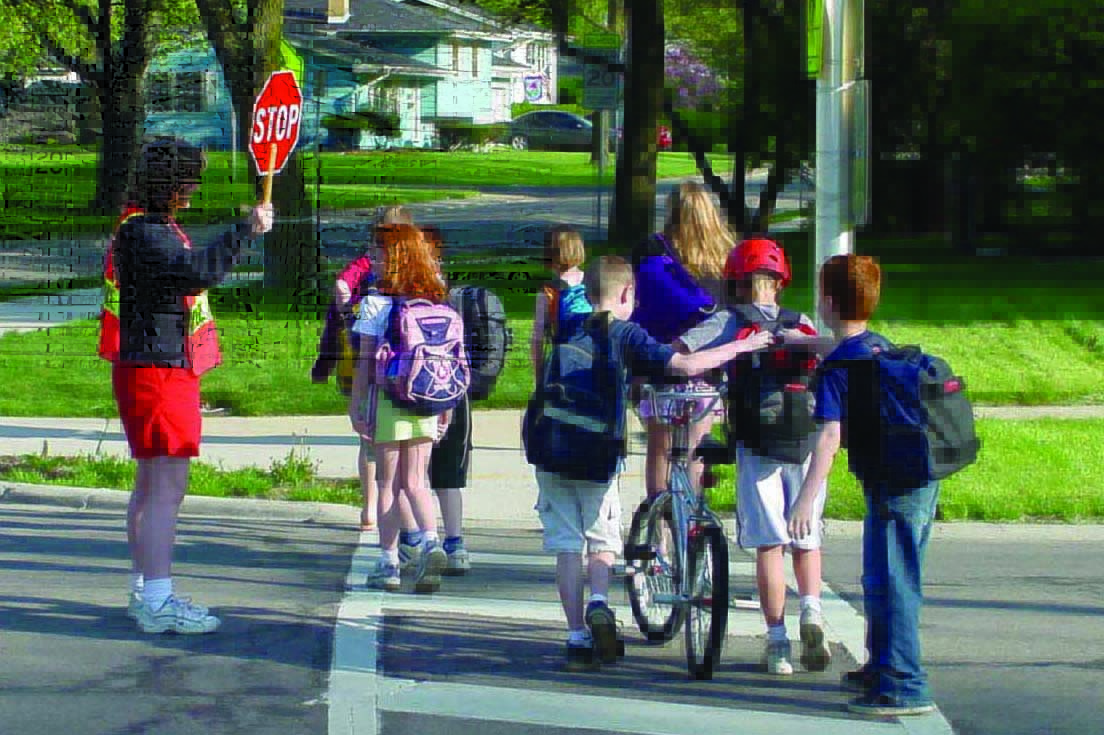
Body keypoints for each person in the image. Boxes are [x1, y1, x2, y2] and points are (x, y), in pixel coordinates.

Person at [529, 255, 773, 670]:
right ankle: (601, 603)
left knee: (567, 546)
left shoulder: (570, 326)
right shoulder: (626, 334)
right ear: (626, 294)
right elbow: (686, 365)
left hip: (551, 449)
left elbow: (555, 325)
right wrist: (742, 345)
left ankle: (575, 637)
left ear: (589, 296)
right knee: (602, 539)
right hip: (596, 455)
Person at [104, 138, 273, 634]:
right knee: (166, 490)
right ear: (170, 185)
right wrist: (245, 228)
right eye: (188, 180)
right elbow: (197, 272)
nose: (193, 189)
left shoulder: (142, 227)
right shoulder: (144, 233)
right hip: (158, 371)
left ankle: (145, 589)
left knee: (149, 486)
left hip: (147, 366)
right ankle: (157, 598)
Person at [788, 254, 939, 717]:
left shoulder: (838, 372)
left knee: (894, 584)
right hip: (914, 478)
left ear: (829, 303)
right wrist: (804, 344)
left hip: (893, 485)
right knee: (880, 579)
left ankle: (906, 685)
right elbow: (842, 349)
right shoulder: (876, 346)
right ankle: (881, 665)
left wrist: (805, 500)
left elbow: (829, 437)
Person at [675, 238, 829, 676]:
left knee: (769, 543)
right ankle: (812, 613)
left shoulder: (728, 320)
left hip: (756, 443)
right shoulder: (799, 323)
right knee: (806, 536)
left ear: (736, 281)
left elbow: (684, 351)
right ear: (780, 282)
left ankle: (778, 642)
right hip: (804, 438)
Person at [349, 223, 454, 594]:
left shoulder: (377, 303)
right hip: (428, 400)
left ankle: (389, 561)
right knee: (416, 480)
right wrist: (447, 409)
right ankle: (430, 540)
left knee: (387, 483)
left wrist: (357, 405)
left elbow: (364, 361)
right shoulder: (435, 301)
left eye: (377, 254)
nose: (372, 261)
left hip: (390, 401)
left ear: (392, 259)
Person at [313, 206, 416, 532]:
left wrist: (324, 361)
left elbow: (338, 304)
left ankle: (371, 507)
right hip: (402, 369)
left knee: (370, 439)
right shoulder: (417, 269)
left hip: (360, 362)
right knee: (403, 444)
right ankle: (400, 510)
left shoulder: (363, 266)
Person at [630, 181, 736, 500]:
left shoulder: (652, 251)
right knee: (694, 449)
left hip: (657, 364)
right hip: (708, 368)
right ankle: (691, 520)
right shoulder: (727, 257)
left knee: (660, 449)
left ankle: (660, 523)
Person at [530, 226, 591, 388]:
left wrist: (539, 376)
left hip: (562, 363)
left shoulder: (547, 291)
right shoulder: (593, 282)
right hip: (593, 359)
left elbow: (537, 339)